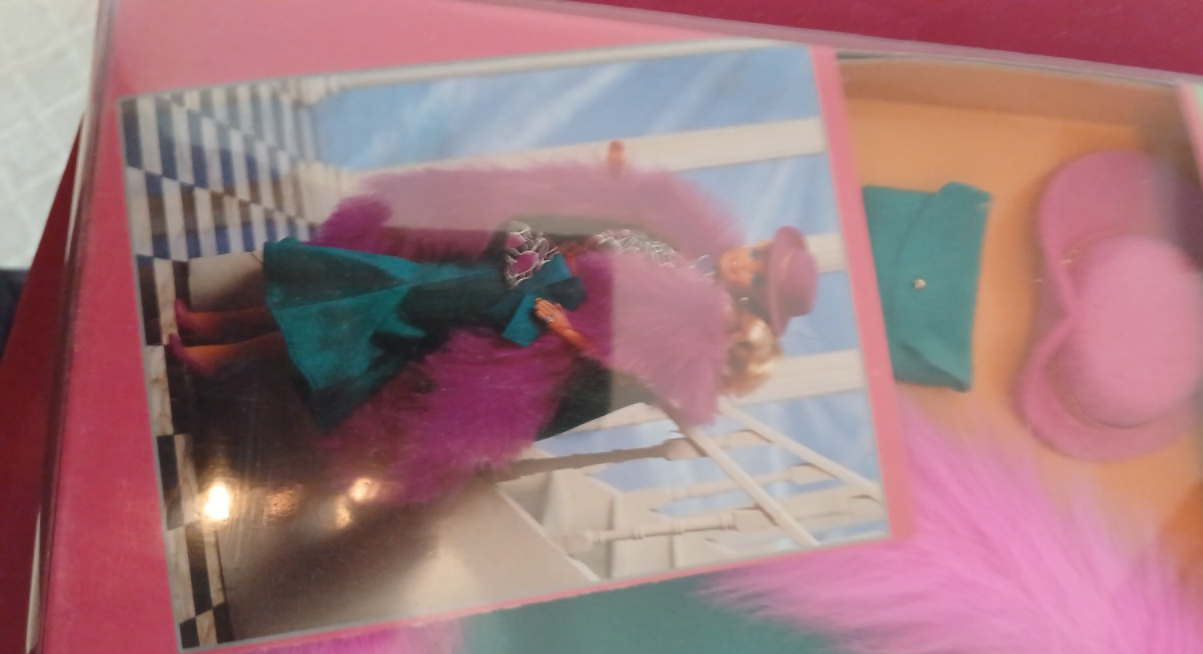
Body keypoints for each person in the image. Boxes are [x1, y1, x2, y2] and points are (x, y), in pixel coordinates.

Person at [171, 163, 818, 502]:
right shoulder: (685, 238)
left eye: (759, 274)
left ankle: (226, 354)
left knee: (389, 296)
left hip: (519, 313)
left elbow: (617, 363)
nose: (749, 260)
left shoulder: (696, 319)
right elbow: (598, 233)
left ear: (753, 301)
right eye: (761, 252)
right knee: (377, 282)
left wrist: (568, 330)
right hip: (518, 263)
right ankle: (221, 332)